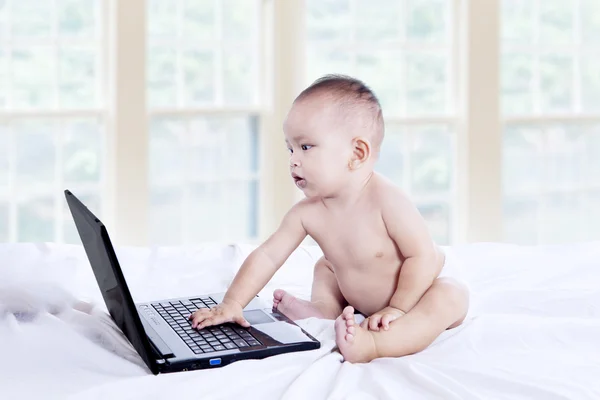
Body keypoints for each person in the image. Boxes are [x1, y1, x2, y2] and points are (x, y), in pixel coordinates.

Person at [189, 74, 470, 363]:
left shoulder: (387, 200)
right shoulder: (307, 212)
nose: (293, 160)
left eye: (306, 147)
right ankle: (324, 309)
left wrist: (398, 307)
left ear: (357, 153)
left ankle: (375, 344)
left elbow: (421, 256)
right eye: (290, 148)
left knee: (450, 295)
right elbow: (267, 255)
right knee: (326, 265)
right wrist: (232, 303)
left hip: (415, 295)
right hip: (360, 297)